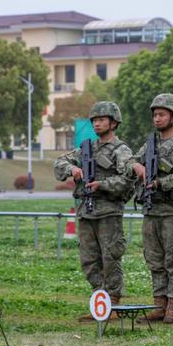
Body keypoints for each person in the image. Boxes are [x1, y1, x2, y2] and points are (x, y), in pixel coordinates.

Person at [54, 102, 133, 321]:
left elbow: (127, 181)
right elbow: (59, 164)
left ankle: (113, 304)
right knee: (89, 259)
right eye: (94, 120)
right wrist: (73, 169)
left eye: (101, 120)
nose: (97, 123)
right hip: (86, 212)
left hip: (108, 212)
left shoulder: (121, 150)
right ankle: (100, 302)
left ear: (114, 122)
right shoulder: (86, 148)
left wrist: (102, 184)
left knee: (111, 257)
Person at [128, 93, 173, 323]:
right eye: (155, 115)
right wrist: (137, 166)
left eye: (162, 114)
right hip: (152, 211)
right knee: (154, 259)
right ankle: (159, 304)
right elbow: (130, 162)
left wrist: (160, 182)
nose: (157, 119)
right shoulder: (151, 144)